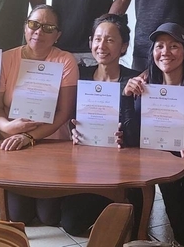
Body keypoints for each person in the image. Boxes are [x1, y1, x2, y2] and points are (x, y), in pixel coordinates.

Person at [121, 22, 184, 247]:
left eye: (174, 46)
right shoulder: (144, 87)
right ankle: (146, 221)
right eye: (159, 46)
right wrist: (127, 97)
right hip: (163, 167)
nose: (165, 52)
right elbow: (132, 135)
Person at [0, 4, 78, 225]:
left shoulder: (65, 61)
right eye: (34, 25)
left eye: (48, 28)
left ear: (58, 35)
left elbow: (64, 112)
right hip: (13, 145)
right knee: (19, 216)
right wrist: (6, 128)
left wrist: (29, 137)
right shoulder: (6, 59)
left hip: (51, 144)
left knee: (49, 218)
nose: (39, 32)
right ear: (25, 27)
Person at [66, 14, 144, 235]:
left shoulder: (135, 81)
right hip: (86, 163)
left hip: (125, 166)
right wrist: (74, 132)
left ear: (124, 47)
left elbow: (141, 132)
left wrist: (125, 138)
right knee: (71, 224)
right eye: (97, 39)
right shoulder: (79, 77)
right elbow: (70, 115)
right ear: (90, 42)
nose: (102, 45)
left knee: (133, 226)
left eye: (110, 40)